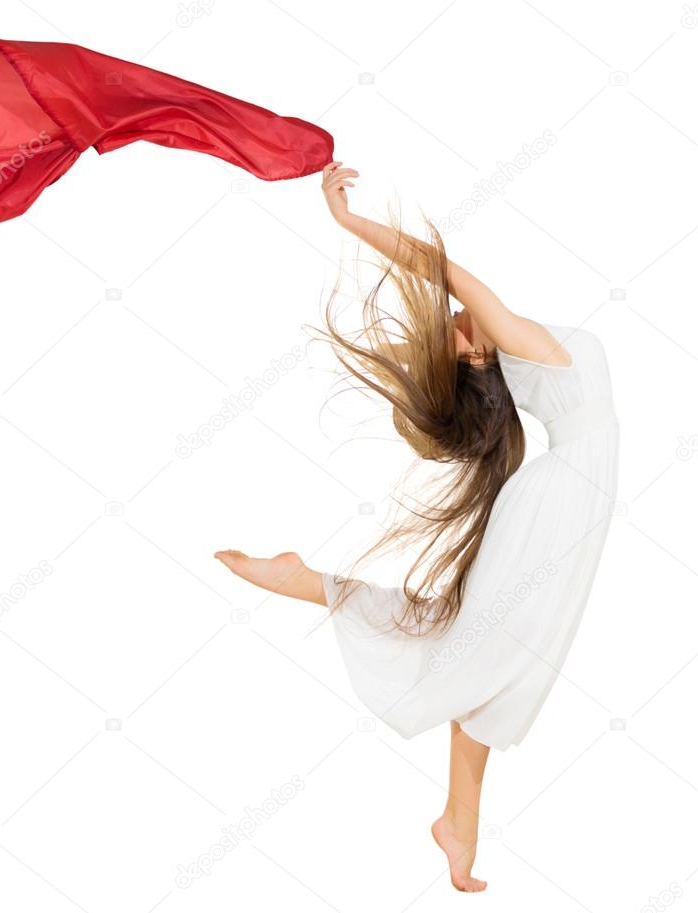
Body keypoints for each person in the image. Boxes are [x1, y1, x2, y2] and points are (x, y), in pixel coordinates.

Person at [215, 161, 619, 892]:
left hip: (571, 504)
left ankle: (458, 822)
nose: (457, 319)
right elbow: (440, 269)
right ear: (478, 354)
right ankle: (306, 581)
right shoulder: (512, 342)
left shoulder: (523, 354)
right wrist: (351, 224)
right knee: (485, 651)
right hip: (566, 506)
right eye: (459, 332)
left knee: (494, 658)